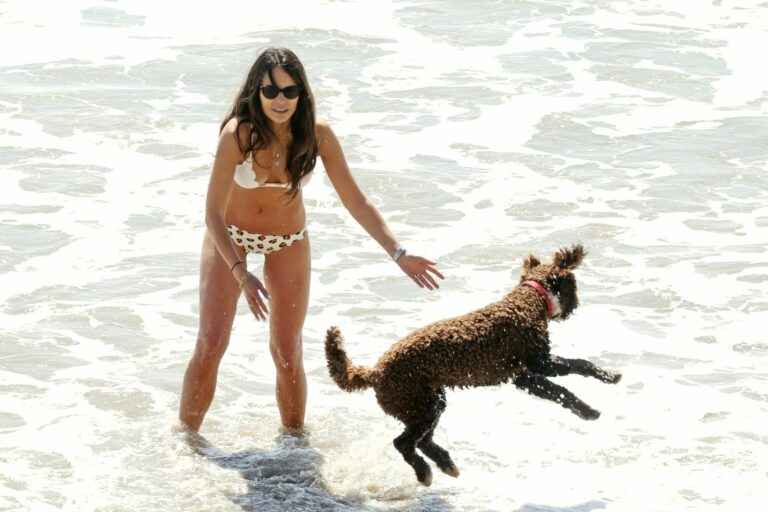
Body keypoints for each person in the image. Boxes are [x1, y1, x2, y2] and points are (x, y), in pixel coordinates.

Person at [178, 47, 444, 433]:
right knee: (211, 344)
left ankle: (294, 449)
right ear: (257, 93)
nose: (280, 100)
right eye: (271, 92)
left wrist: (398, 253)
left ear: (302, 92)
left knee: (287, 352)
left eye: (289, 91)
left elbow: (357, 200)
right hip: (229, 237)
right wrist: (240, 274)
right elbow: (212, 215)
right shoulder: (239, 134)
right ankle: (187, 446)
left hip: (288, 240)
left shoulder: (318, 136)